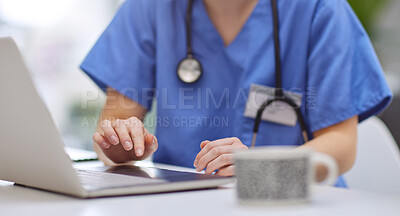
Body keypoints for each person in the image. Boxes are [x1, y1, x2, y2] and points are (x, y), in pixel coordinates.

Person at [80, 0, 392, 187]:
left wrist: (260, 170)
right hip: (180, 203)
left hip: (291, 204)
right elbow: (113, 131)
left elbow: (341, 144)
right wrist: (121, 142)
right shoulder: (151, 8)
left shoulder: (319, 9)